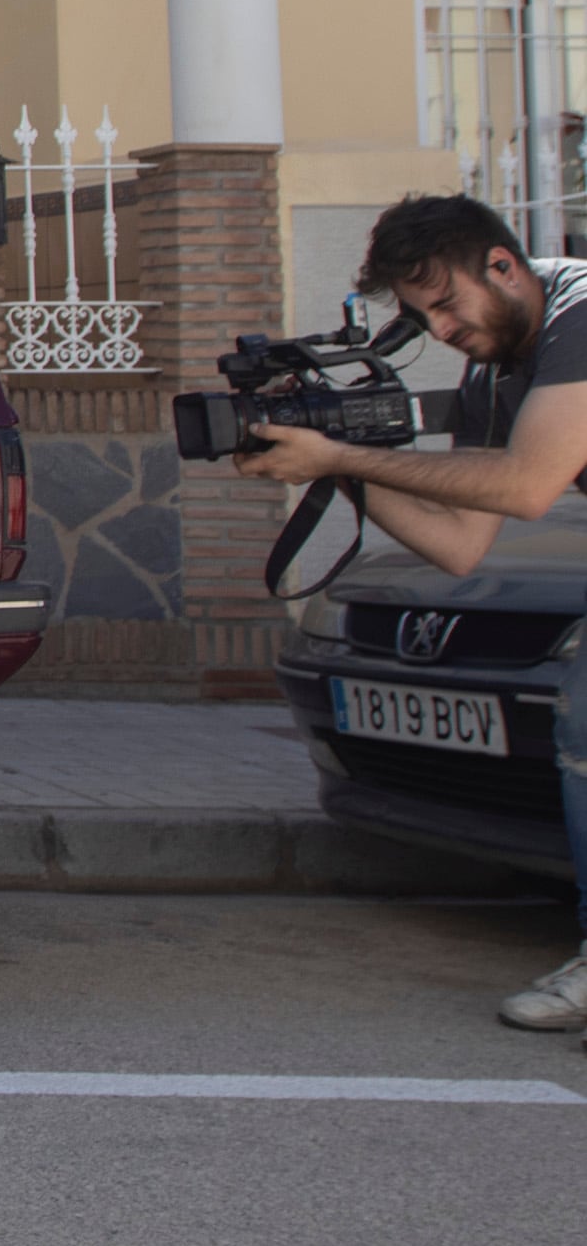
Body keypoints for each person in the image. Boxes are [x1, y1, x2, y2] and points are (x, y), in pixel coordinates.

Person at [237, 193, 587, 1040]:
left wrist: (343, 454)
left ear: (501, 267)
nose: (439, 329)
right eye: (420, 314)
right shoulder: (497, 367)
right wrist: (332, 470)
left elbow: (524, 486)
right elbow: (462, 544)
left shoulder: (579, 314)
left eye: (445, 302)